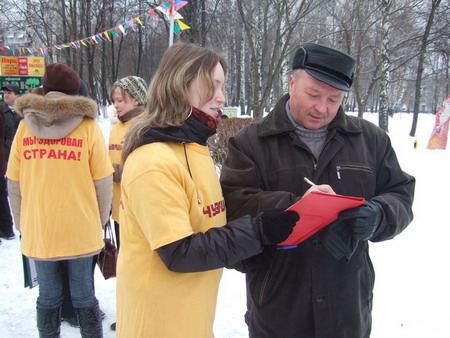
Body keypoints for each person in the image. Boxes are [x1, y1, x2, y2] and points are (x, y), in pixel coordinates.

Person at [220, 42, 415, 338]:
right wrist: (295, 207)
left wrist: (379, 214)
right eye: (313, 94)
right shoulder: (250, 142)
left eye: (334, 99)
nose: (321, 108)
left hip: (347, 306)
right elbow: (232, 204)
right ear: (292, 82)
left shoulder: (370, 140)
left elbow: (400, 193)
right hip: (278, 305)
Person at [116, 42, 299, 338]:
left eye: (222, 86)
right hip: (156, 324)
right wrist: (256, 233)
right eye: (213, 85)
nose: (222, 97)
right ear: (180, 84)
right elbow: (178, 251)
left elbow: (205, 227)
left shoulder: (195, 150)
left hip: (192, 319)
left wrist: (244, 254)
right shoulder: (153, 162)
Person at [6, 63, 113, 337]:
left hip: (40, 227)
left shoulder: (24, 128)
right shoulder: (88, 128)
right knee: (84, 296)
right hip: (80, 227)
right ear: (75, 91)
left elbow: (14, 184)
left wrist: (22, 224)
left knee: (48, 298)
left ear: (45, 89)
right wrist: (99, 221)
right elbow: (102, 182)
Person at [108, 75, 148, 331]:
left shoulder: (144, 126)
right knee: (124, 268)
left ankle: (142, 316)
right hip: (118, 211)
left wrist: (110, 171)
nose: (116, 106)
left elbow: (146, 168)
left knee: (139, 269)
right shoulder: (117, 127)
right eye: (114, 101)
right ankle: (127, 314)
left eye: (120, 100)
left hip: (137, 213)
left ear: (136, 98)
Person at [0, 83, 22, 240]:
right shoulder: (2, 111)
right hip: (6, 156)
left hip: (22, 156)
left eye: (10, 92)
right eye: (4, 92)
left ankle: (9, 229)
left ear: (17, 95)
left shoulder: (23, 113)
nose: (6, 95)